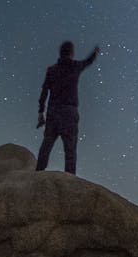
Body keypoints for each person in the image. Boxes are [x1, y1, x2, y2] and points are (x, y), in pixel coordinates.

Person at [35, 40, 100, 174]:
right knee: (70, 151)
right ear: (72, 53)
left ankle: (37, 174)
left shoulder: (52, 70)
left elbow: (44, 91)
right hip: (69, 112)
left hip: (53, 111)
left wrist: (41, 112)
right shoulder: (75, 66)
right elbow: (88, 61)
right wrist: (95, 53)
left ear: (60, 53)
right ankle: (70, 179)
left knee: (46, 145)